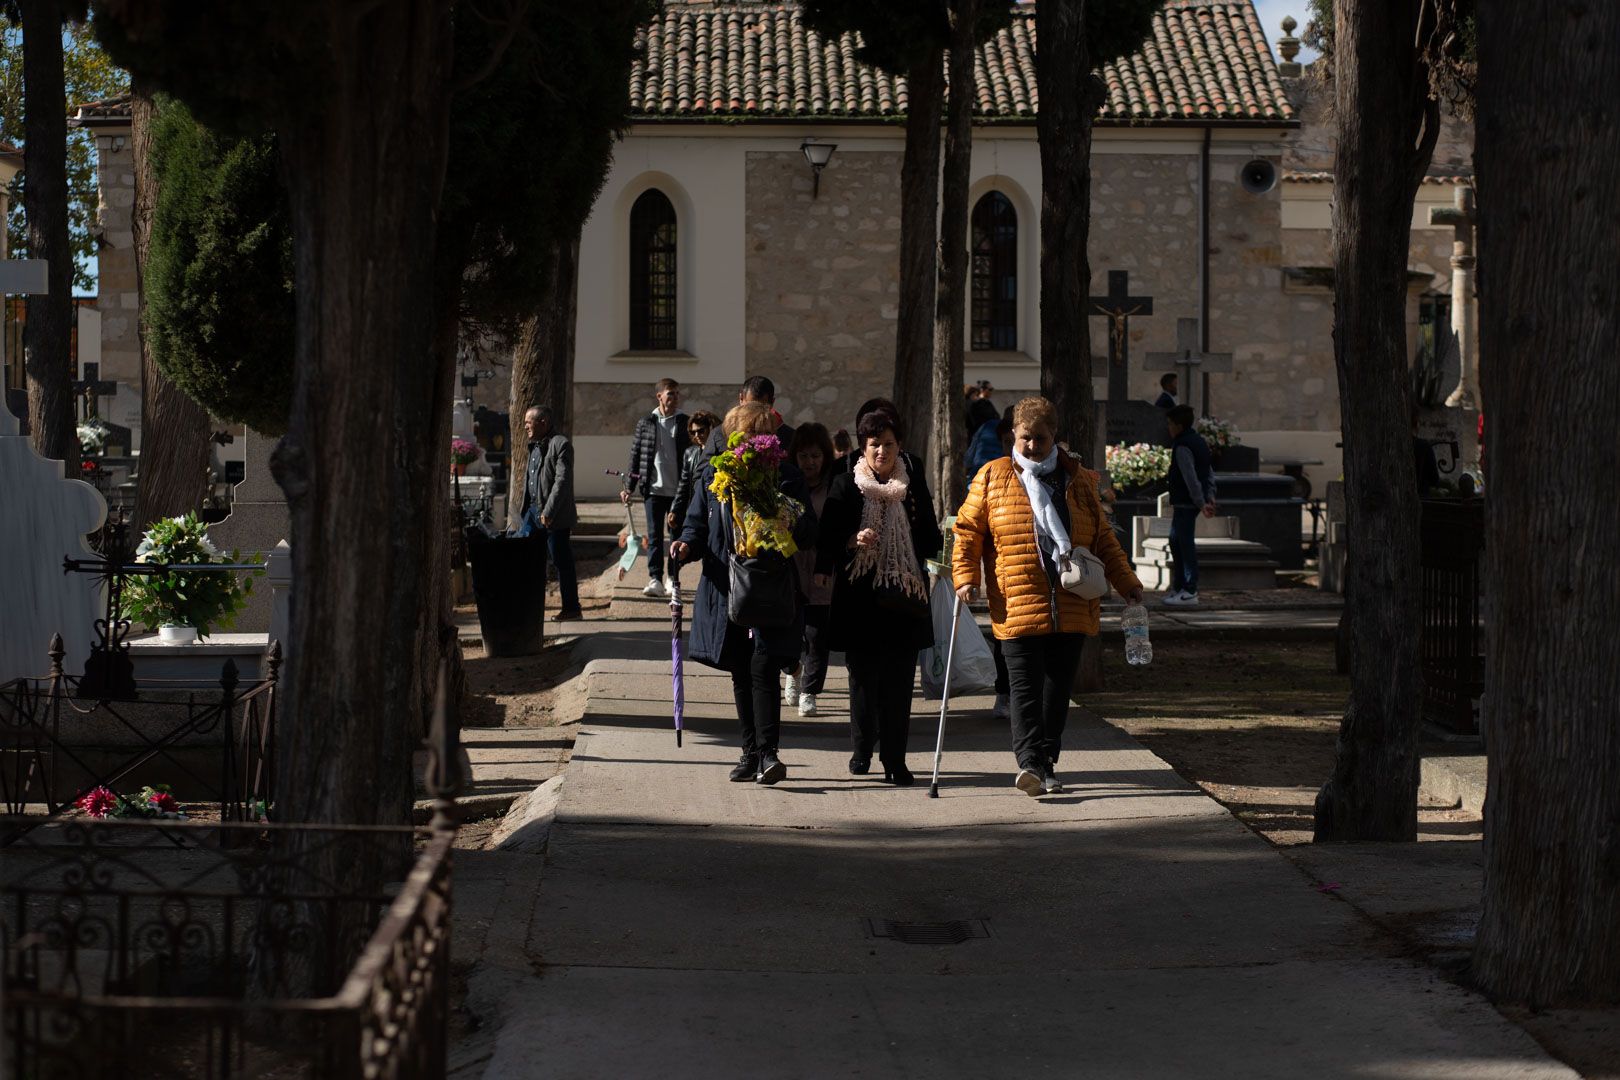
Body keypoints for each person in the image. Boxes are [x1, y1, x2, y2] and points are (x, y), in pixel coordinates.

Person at [952, 396, 1143, 797]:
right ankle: (1030, 765)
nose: (1033, 447)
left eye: (1041, 438)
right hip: (1017, 601)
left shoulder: (1078, 480)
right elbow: (968, 532)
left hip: (1072, 603)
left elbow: (1103, 539)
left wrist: (1127, 583)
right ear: (1012, 436)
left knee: (1056, 694)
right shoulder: (992, 476)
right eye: (1025, 439)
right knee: (1024, 691)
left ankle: (1048, 763)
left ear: (1055, 436)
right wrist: (965, 577)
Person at [671, 402, 816, 785]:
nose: (749, 445)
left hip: (769, 586)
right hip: (728, 589)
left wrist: (784, 521)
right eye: (742, 437)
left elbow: (807, 533)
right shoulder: (716, 477)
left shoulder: (785, 478)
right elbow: (696, 524)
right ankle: (750, 753)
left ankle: (769, 754)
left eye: (758, 437)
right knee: (740, 668)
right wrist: (684, 546)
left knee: (763, 667)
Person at [815, 407, 942, 785]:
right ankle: (862, 748)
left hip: (904, 596)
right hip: (860, 599)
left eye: (888, 445)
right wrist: (853, 539)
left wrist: (946, 563)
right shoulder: (845, 483)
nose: (882, 452)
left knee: (900, 683)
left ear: (899, 445)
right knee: (864, 681)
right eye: (874, 445)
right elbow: (827, 538)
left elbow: (932, 538)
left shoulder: (912, 484)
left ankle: (895, 760)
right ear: (862, 447)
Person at [785, 423, 837, 717]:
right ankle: (792, 671)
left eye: (815, 456)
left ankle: (810, 690)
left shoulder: (833, 487)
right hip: (790, 570)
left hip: (821, 572)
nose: (810, 463)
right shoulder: (788, 485)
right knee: (789, 632)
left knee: (818, 636)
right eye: (804, 456)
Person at [622, 378, 689, 598]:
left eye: (677, 394)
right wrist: (628, 487)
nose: (675, 398)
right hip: (652, 490)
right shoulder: (646, 423)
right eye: (671, 393)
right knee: (654, 537)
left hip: (678, 492)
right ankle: (655, 579)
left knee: (675, 536)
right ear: (659, 396)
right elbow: (636, 456)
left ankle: (672, 578)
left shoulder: (684, 422)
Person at [513, 405, 581, 620]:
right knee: (526, 558)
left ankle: (571, 608)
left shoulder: (560, 445)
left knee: (561, 561)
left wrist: (549, 511)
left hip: (555, 515)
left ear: (543, 422)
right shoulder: (533, 445)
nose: (525, 427)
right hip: (532, 512)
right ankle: (528, 607)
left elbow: (562, 482)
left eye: (528, 422)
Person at [1161, 404, 1218, 607]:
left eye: (1170, 424)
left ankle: (1190, 589)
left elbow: (1191, 477)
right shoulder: (1198, 441)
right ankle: (1179, 587)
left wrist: (1202, 502)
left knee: (1184, 545)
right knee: (1176, 542)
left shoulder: (1183, 445)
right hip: (1190, 501)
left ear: (1178, 425)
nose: (1168, 428)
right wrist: (1209, 496)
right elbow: (1208, 473)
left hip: (1186, 502)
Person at [701, 375, 793, 455]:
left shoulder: (789, 437)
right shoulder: (719, 434)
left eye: (761, 408)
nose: (755, 415)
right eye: (750, 408)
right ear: (741, 399)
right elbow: (701, 474)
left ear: (772, 403)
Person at [670, 410, 721, 534]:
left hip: (716, 505)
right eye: (693, 432)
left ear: (711, 428)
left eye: (701, 430)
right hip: (697, 505)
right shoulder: (690, 453)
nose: (697, 435)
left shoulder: (721, 451)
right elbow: (684, 484)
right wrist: (675, 509)